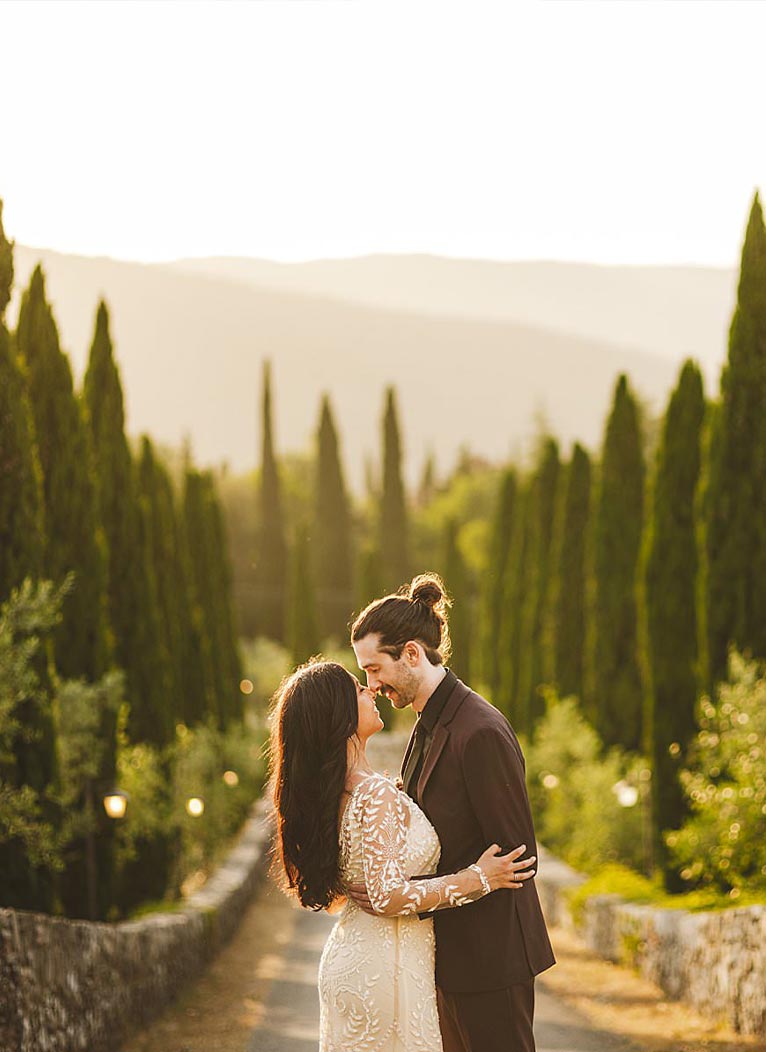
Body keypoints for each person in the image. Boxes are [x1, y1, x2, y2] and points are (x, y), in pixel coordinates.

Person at [269, 658, 537, 1052]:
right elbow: (386, 896)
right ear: (338, 716)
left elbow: (359, 886)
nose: (369, 689)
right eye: (356, 689)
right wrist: (480, 877)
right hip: (384, 969)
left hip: (360, 958)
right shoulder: (373, 794)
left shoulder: (340, 793)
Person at [349, 573, 555, 1052]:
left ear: (413, 654)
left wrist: (422, 892)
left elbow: (519, 859)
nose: (371, 684)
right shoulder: (429, 721)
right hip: (447, 957)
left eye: (375, 669)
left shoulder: (478, 730)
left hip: (491, 961)